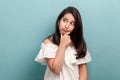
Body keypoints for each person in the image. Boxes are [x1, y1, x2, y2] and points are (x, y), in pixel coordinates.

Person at [35, 6, 92, 80]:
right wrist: (63, 44)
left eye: (72, 23)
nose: (67, 26)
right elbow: (56, 69)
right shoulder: (48, 43)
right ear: (59, 22)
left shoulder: (78, 44)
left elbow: (83, 72)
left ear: (75, 27)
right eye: (65, 20)